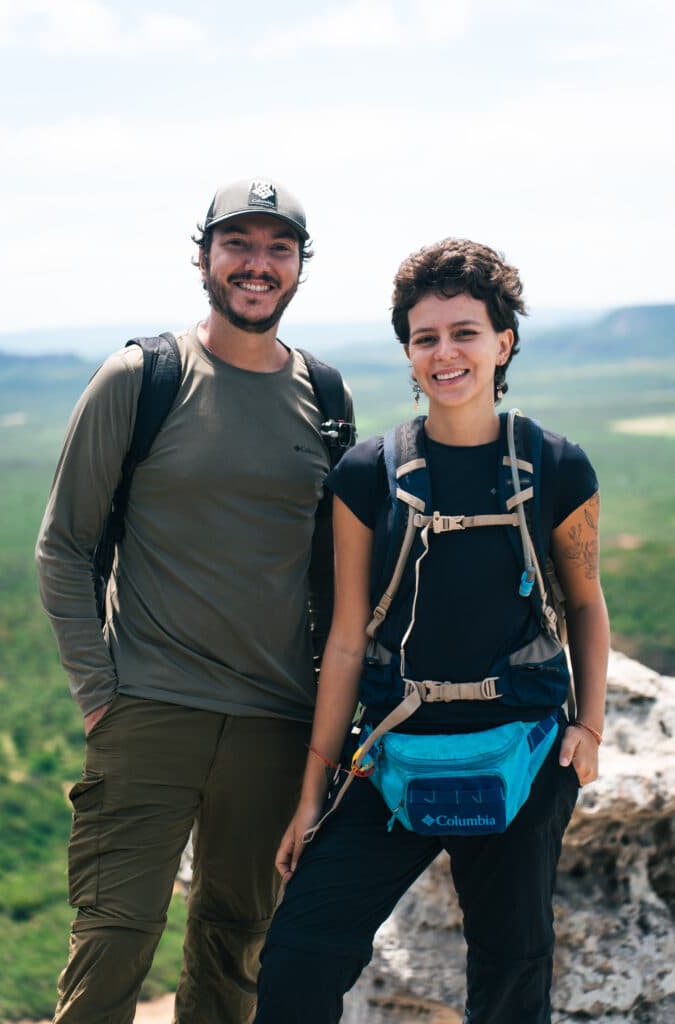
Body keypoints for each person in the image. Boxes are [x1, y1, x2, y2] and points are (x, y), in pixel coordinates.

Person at [254, 237, 609, 1024]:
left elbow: (583, 601)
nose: (444, 352)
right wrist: (312, 796)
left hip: (520, 755)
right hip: (388, 754)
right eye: (424, 338)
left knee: (512, 978)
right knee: (297, 960)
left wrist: (588, 727)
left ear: (502, 343)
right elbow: (346, 636)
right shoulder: (366, 474)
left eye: (464, 332)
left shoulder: (555, 466)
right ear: (408, 354)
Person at [35, 177, 354, 1024]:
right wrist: (101, 697)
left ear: (298, 267)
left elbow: (338, 572)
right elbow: (64, 545)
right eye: (238, 245)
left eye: (277, 248)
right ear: (204, 257)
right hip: (149, 709)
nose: (257, 265)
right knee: (111, 942)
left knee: (234, 949)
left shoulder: (325, 396)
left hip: (275, 723)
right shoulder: (142, 376)